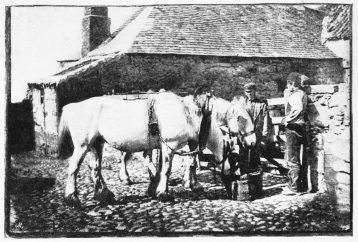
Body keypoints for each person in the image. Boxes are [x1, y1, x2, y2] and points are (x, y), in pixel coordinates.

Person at [282, 72, 309, 195]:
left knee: (293, 159)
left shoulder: (296, 95)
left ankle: (293, 188)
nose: (287, 87)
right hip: (301, 127)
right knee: (298, 157)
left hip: (294, 127)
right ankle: (300, 186)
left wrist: (287, 120)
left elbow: (297, 109)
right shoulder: (302, 93)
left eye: (288, 84)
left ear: (292, 83)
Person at [242, 82, 270, 173]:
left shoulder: (261, 104)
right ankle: (244, 171)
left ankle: (255, 172)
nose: (249, 94)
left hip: (257, 131)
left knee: (255, 152)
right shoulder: (242, 105)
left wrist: (265, 132)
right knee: (244, 151)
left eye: (251, 91)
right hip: (246, 133)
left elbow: (266, 119)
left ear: (254, 91)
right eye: (247, 92)